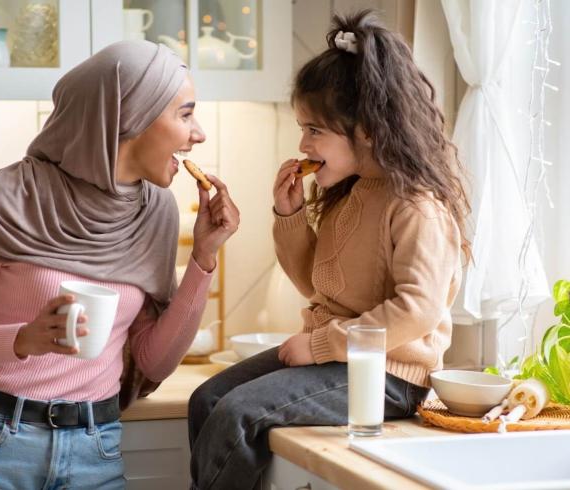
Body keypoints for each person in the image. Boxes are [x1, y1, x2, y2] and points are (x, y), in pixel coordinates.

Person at [188, 9, 470, 490]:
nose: (302, 143)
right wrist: (290, 217)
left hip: (389, 376)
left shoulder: (417, 206)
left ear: (370, 130)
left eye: (314, 130)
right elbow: (316, 285)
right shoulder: (349, 191)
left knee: (237, 412)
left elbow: (416, 309)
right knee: (207, 399)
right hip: (339, 359)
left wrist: (320, 344)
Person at [0, 40, 239, 489]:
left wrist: (204, 258)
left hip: (97, 449)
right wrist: (20, 340)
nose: (199, 134)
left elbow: (152, 360)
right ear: (131, 115)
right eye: (185, 114)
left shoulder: (156, 212)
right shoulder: (8, 200)